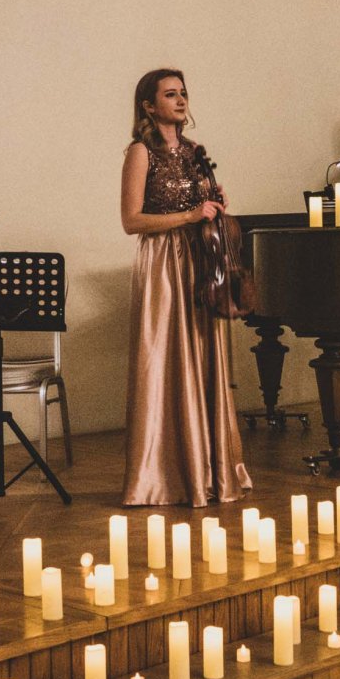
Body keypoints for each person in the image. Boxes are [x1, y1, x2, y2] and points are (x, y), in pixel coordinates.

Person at [120, 69, 252, 507]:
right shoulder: (140, 152)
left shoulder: (195, 152)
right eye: (170, 94)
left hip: (201, 261)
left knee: (203, 356)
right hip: (163, 264)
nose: (180, 101)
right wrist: (190, 216)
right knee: (166, 359)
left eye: (183, 93)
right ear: (148, 105)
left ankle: (211, 470)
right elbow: (131, 221)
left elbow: (202, 208)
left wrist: (215, 206)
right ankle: (165, 475)